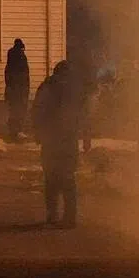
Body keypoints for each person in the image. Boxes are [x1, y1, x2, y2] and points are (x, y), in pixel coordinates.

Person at [31, 60, 88, 227]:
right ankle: (70, 217)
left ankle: (52, 214)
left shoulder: (48, 86)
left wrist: (38, 133)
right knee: (68, 177)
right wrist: (85, 137)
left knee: (51, 177)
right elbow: (83, 116)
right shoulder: (75, 89)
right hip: (68, 139)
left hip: (51, 139)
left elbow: (37, 110)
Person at [4, 38, 30, 141]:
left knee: (13, 111)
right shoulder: (21, 58)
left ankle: (12, 131)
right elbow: (25, 76)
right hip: (20, 90)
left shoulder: (10, 61)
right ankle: (18, 131)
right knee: (19, 110)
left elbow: (7, 76)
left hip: (11, 90)